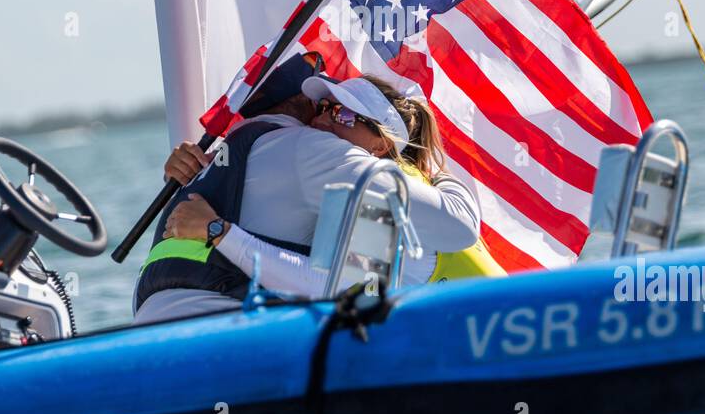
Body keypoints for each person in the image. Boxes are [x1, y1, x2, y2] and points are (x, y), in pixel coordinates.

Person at [133, 61, 481, 325]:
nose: (321, 120)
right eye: (323, 107)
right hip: (204, 325)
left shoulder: (369, 190)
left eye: (341, 113)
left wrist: (219, 233)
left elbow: (334, 289)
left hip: (180, 327)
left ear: (380, 143)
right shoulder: (324, 171)